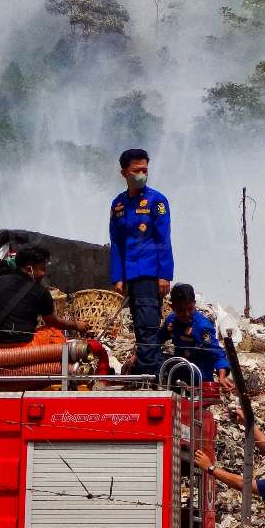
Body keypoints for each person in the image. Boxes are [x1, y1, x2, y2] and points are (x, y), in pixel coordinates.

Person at [109, 148, 173, 374]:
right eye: (136, 170)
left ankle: (150, 373)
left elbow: (163, 239)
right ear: (124, 172)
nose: (142, 174)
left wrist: (165, 274)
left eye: (145, 170)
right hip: (130, 274)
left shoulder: (157, 201)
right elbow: (116, 243)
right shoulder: (118, 205)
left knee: (148, 325)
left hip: (149, 273)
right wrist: (117, 276)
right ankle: (148, 368)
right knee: (139, 325)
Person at [0, 245, 88, 348]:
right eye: (42, 269)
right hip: (19, 345)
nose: (44, 274)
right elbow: (53, 322)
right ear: (29, 270)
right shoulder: (40, 291)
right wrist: (76, 325)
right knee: (54, 333)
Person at [160, 283, 234, 390]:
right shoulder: (171, 321)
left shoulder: (202, 327)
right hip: (178, 375)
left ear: (194, 304)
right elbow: (157, 339)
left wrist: (221, 377)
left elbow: (217, 354)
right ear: (172, 307)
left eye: (189, 309)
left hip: (199, 378)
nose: (186, 314)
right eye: (180, 310)